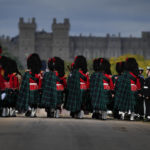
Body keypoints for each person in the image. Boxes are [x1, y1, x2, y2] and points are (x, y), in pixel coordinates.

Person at [17, 53, 42, 117]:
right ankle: (33, 111)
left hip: (29, 89)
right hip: (36, 89)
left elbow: (23, 85)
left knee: (29, 101)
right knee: (35, 101)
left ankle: (30, 110)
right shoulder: (39, 74)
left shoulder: (27, 73)